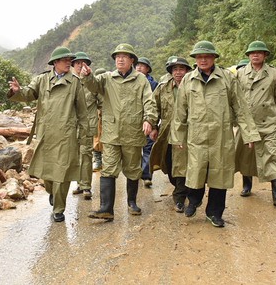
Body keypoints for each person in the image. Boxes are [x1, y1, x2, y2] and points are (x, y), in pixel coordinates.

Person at [171, 41, 259, 226]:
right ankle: (194, 200)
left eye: (207, 56)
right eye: (199, 57)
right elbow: (180, 111)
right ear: (195, 59)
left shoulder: (227, 78)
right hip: (197, 135)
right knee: (196, 170)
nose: (203, 60)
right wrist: (178, 136)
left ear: (213, 58)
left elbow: (241, 107)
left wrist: (249, 134)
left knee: (220, 174)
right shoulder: (188, 80)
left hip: (221, 136)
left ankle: (214, 213)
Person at [7, 47, 88, 222]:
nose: (69, 62)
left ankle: (59, 209)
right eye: (65, 60)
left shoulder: (75, 82)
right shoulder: (42, 80)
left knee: (62, 173)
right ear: (55, 62)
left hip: (67, 134)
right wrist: (17, 91)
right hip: (45, 133)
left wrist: (84, 135)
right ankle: (51, 192)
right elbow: (28, 94)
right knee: (47, 172)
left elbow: (82, 111)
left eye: (70, 60)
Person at [81, 43, 157, 220]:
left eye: (124, 56)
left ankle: (132, 202)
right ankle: (106, 208)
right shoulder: (107, 78)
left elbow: (149, 102)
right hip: (111, 133)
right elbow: (93, 86)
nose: (120, 59)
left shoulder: (141, 80)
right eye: (117, 56)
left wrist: (149, 119)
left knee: (132, 170)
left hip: (133, 133)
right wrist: (87, 76)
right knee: (108, 170)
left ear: (132, 60)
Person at [235, 41, 276, 206]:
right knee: (246, 155)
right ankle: (246, 184)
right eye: (252, 52)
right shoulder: (240, 73)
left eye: (259, 52)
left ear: (265, 55)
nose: (255, 55)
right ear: (248, 56)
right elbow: (236, 96)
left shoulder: (273, 73)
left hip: (269, 122)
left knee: (273, 155)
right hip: (247, 123)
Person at [148, 56, 193, 213]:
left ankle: (179, 198)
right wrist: (153, 125)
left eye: (181, 69)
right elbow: (154, 107)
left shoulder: (193, 86)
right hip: (167, 132)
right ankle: (181, 187)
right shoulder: (163, 87)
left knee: (182, 165)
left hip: (188, 132)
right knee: (169, 163)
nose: (178, 72)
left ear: (187, 71)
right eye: (175, 69)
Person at [71, 52, 97, 200]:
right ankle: (80, 184)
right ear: (73, 66)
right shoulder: (70, 82)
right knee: (76, 155)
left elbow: (102, 102)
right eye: (77, 63)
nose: (80, 65)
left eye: (83, 63)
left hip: (87, 125)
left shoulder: (92, 83)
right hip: (72, 126)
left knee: (86, 154)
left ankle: (86, 186)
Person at [136, 57, 158, 188]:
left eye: (142, 66)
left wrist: (153, 123)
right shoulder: (131, 81)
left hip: (148, 120)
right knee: (134, 150)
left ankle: (146, 175)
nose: (139, 67)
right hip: (133, 121)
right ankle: (135, 173)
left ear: (148, 69)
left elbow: (155, 105)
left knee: (148, 148)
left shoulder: (154, 85)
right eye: (137, 65)